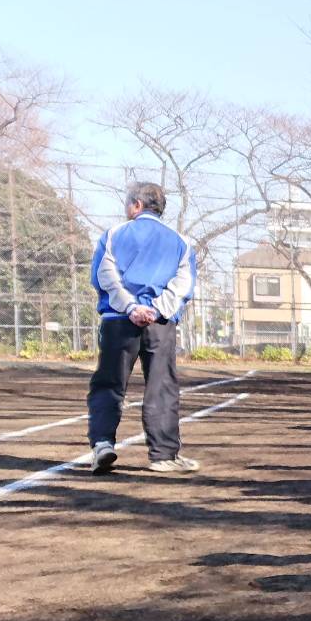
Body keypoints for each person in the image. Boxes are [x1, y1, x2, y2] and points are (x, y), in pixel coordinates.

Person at [86, 182, 199, 475]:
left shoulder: (113, 235)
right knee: (162, 385)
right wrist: (158, 308)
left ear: (137, 205)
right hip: (160, 324)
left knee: (109, 383)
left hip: (118, 320)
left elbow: (104, 275)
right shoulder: (181, 242)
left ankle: (102, 444)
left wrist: (131, 307)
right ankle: (163, 455)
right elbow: (183, 284)